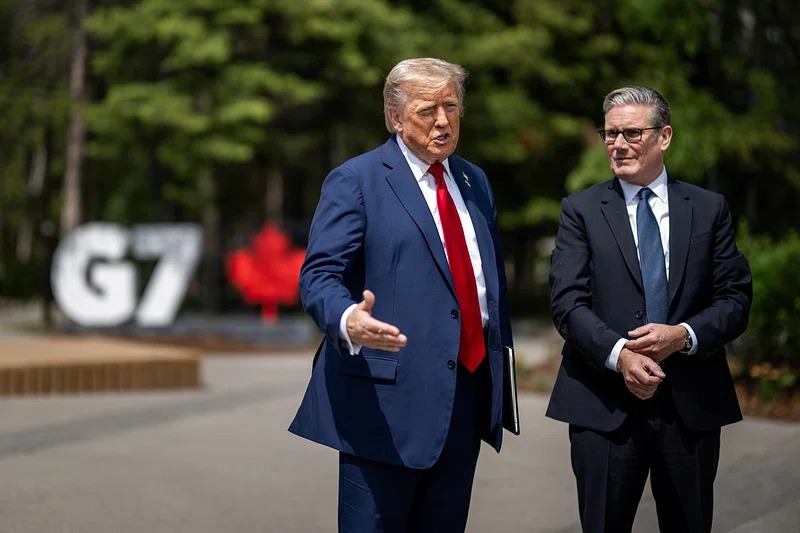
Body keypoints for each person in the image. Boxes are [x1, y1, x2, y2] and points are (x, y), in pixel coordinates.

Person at [289, 57, 514, 532]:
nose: (443, 121)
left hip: (466, 395)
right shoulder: (357, 180)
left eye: (451, 107)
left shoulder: (475, 181)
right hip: (385, 404)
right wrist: (348, 318)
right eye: (427, 110)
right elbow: (319, 275)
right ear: (395, 117)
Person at [546, 86, 752, 533]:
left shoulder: (708, 208)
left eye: (632, 133)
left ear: (665, 136)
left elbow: (735, 300)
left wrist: (684, 336)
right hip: (603, 407)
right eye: (610, 134)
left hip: (690, 407)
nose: (618, 144)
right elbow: (567, 304)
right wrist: (621, 355)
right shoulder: (580, 210)